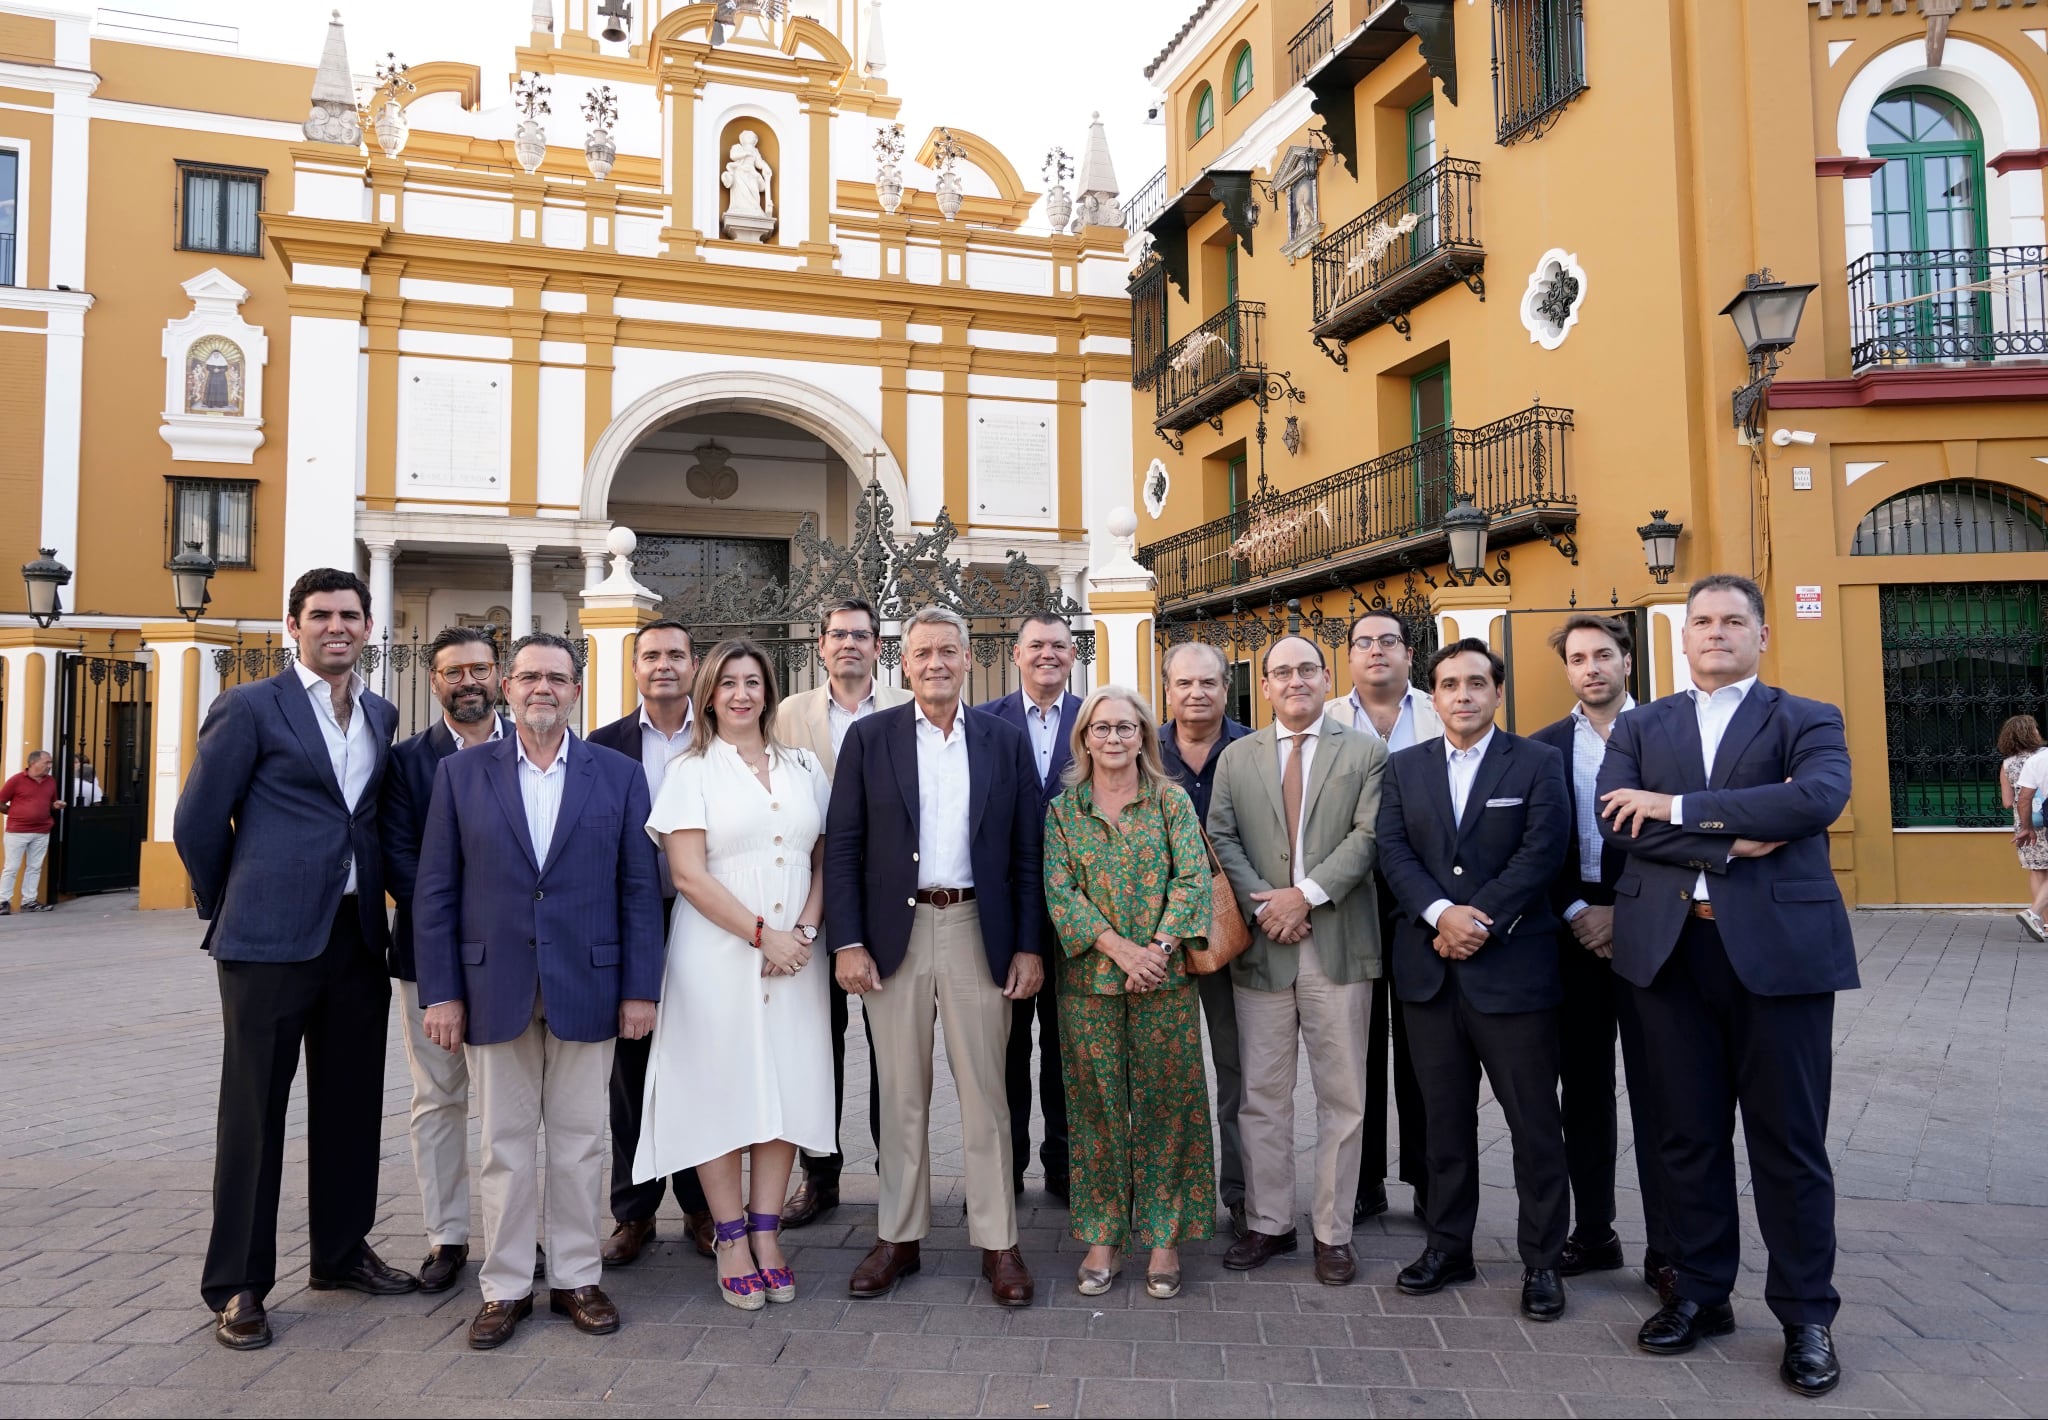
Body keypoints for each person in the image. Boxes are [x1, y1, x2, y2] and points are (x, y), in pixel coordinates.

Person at [1597, 574, 1855, 1397]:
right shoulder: (1641, 724)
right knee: (1685, 1138)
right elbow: (1614, 820)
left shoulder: (1806, 718)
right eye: (1701, 620)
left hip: (1779, 958)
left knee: (1789, 1144)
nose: (1715, 632)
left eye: (1732, 620)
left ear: (1761, 633)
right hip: (1669, 957)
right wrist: (1731, 838)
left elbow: (1814, 801)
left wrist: (1672, 807)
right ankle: (1702, 1294)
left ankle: (1807, 1317)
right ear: (1683, 637)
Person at [173, 568, 416, 1351]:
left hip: (355, 939)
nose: (335, 627)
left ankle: (341, 1254)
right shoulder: (249, 706)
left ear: (369, 627)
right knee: (253, 1117)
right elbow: (198, 822)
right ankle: (238, 1284)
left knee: (351, 1106)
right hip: (267, 944)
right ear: (293, 626)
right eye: (320, 615)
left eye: (349, 614)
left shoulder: (381, 712)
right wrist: (234, 902)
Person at [413, 633, 665, 1350]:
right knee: (503, 1144)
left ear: (577, 690)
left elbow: (638, 891)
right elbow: (436, 892)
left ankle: (579, 1278)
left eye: (556, 677)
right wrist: (442, 993)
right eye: (528, 677)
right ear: (506, 687)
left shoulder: (616, 776)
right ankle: (507, 1286)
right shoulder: (461, 776)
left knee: (584, 1141)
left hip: (591, 982)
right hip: (493, 985)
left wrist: (640, 989)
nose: (541, 689)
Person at [824, 605, 1045, 1307]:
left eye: (948, 651)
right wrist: (848, 940)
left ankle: (999, 1241)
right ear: (904, 661)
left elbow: (1026, 853)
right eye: (923, 653)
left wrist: (1029, 946)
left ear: (966, 656)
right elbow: (846, 846)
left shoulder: (1003, 742)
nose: (937, 663)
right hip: (896, 934)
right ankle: (899, 1235)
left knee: (987, 1092)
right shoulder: (870, 738)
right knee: (901, 1093)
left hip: (979, 927)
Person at [1378, 638, 1573, 1321]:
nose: (1462, 695)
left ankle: (1544, 1261)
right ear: (1432, 695)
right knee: (1442, 1125)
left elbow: (1544, 850)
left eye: (1476, 683)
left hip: (1513, 972)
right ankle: (1448, 1246)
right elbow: (1393, 850)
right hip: (1430, 974)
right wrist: (1439, 913)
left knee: (1534, 1126)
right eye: (1449, 684)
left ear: (1498, 692)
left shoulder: (1539, 763)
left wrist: (1478, 918)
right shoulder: (1404, 769)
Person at [636, 639, 834, 1309]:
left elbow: (828, 853)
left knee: (784, 1088)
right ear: (710, 695)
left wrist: (802, 932)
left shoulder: (803, 764)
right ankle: (729, 1238)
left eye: (753, 682)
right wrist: (762, 936)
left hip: (796, 959)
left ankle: (768, 1232)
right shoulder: (691, 770)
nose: (742, 694)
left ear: (769, 691)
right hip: (717, 954)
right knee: (722, 1091)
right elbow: (687, 874)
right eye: (729, 684)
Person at [1207, 635, 1386, 1287]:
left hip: (1337, 945)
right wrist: (1264, 907)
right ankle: (1268, 1222)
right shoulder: (1237, 758)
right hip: (1264, 949)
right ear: (1266, 684)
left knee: (1343, 1097)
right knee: (1261, 1095)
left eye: (1306, 669)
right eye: (1280, 672)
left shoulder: (1364, 753)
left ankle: (1333, 1233)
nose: (1294, 681)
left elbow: (1368, 838)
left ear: (1325, 675)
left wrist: (1303, 895)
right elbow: (1220, 834)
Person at [1043, 686, 1214, 1300]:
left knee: (1167, 1105)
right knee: (1097, 1111)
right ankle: (1104, 1233)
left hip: (1163, 984)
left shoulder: (1170, 802)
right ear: (1084, 738)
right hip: (1089, 984)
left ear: (1144, 735)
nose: (1113, 738)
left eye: (1125, 727)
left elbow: (1192, 878)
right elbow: (1060, 891)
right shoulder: (1064, 811)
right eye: (1101, 728)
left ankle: (1165, 1236)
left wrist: (1159, 952)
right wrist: (1120, 951)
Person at [1528, 615, 1675, 1301]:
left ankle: (1669, 1249)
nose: (1591, 668)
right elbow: (1536, 845)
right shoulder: (1544, 749)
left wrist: (1623, 910)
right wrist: (1577, 911)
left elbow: (1677, 829)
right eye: (1579, 658)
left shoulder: (1669, 736)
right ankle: (1593, 1233)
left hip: (1653, 927)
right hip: (1572, 928)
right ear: (1567, 670)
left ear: (1626, 662)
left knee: (1661, 1091)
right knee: (1583, 1090)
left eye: (1604, 655)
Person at [381, 626, 512, 1294]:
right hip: (427, 958)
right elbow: (401, 862)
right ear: (434, 681)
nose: (468, 681)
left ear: (500, 676)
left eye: (479, 669)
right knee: (437, 1097)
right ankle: (447, 1236)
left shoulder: (531, 749)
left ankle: (511, 1236)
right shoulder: (406, 762)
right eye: (453, 671)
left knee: (508, 1105)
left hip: (513, 961)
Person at [777, 598, 910, 1227]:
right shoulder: (788, 714)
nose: (849, 644)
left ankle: (895, 1173)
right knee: (814, 1043)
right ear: (821, 647)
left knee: (891, 1044)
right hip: (809, 901)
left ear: (878, 647)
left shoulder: (902, 711)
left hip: (885, 904)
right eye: (838, 635)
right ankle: (820, 1173)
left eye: (862, 635)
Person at [586, 619, 715, 1265]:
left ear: (694, 666)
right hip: (630, 921)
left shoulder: (721, 738)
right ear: (635, 669)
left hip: (708, 922)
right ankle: (633, 1213)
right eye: (652, 656)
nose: (664, 664)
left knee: (695, 1067)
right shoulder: (604, 745)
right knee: (631, 1073)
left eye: (676, 654)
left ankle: (701, 1207)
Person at [1326, 611, 1438, 1222]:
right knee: (1356, 1046)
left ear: (1407, 655)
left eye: (1388, 642)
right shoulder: (1325, 718)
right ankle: (1363, 1181)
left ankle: (1425, 1178)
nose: (1376, 652)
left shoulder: (1439, 710)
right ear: (1349, 657)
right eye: (1364, 642)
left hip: (1423, 903)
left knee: (1424, 1046)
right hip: (1349, 900)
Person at [975, 613, 1082, 1202]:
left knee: (1067, 1048)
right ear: (1015, 654)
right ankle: (1007, 1166)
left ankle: (1064, 1164)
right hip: (1002, 912)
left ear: (1073, 655)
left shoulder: (1092, 722)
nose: (1047, 655)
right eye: (1036, 645)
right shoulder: (984, 722)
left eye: (1058, 646)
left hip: (1077, 915)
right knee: (1004, 1048)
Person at [1155, 642, 1253, 1235]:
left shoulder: (1253, 750)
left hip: (1231, 936)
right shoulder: (1142, 748)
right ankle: (1164, 1194)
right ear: (1167, 688)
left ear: (1226, 688)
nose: (1197, 693)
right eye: (1185, 683)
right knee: (1163, 1072)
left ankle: (1242, 1194)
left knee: (1238, 1069)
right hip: (1157, 942)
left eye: (1209, 683)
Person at [1998, 715, 2048, 941]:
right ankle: (2035, 915)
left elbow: (2008, 802)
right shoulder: (2042, 757)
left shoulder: (2007, 764)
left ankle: (2044, 924)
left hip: (2026, 823)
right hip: (2044, 816)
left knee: (2037, 871)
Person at [0, 750, 64, 915]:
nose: (50, 766)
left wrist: (55, 805)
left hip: (42, 830)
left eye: (50, 763)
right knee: (11, 867)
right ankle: (2, 901)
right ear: (33, 763)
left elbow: (49, 802)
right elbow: (1, 801)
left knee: (35, 867)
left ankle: (29, 901)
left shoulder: (50, 782)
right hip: (17, 831)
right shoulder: (16, 780)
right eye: (47, 763)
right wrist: (13, 812)